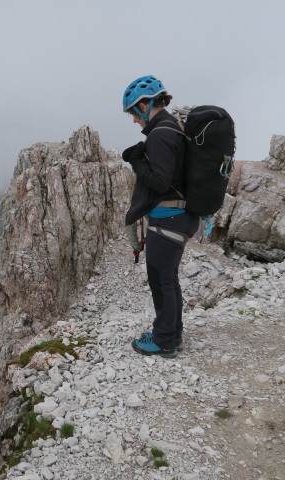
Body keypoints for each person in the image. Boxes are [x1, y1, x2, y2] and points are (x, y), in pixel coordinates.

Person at [121, 75, 200, 358]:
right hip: (180, 216)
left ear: (144, 105)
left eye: (133, 112)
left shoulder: (161, 133)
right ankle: (171, 334)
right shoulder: (172, 128)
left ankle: (164, 340)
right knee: (167, 277)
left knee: (160, 279)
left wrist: (137, 162)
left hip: (169, 217)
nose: (134, 120)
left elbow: (159, 181)